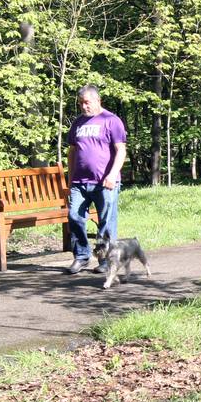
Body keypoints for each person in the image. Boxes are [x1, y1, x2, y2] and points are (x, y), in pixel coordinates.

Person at [66, 85, 127, 274]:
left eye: (87, 102)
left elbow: (121, 150)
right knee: (74, 216)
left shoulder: (111, 120)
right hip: (79, 182)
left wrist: (112, 175)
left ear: (97, 100)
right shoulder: (77, 123)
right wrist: (69, 179)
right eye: (80, 103)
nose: (84, 107)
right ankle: (81, 256)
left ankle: (105, 261)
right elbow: (72, 152)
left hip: (105, 182)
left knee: (106, 222)